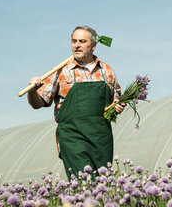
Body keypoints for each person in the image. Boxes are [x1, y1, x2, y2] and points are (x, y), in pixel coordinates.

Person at [27, 25, 125, 180]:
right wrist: (33, 90)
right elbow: (38, 103)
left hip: (101, 138)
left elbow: (116, 100)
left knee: (104, 186)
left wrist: (117, 106)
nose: (77, 45)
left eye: (82, 41)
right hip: (73, 137)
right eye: (74, 41)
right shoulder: (61, 71)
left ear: (93, 45)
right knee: (84, 182)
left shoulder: (107, 71)